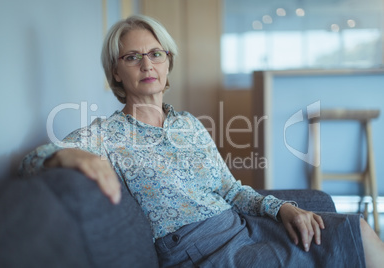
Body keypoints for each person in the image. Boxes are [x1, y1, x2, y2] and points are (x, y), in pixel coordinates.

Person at [19, 14, 384, 267]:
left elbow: (229, 188)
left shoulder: (188, 123)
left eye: (155, 54)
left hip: (243, 226)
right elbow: (32, 160)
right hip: (201, 252)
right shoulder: (105, 135)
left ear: (167, 64)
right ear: (116, 71)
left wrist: (281, 208)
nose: (147, 65)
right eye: (133, 57)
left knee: (359, 230)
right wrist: (68, 158)